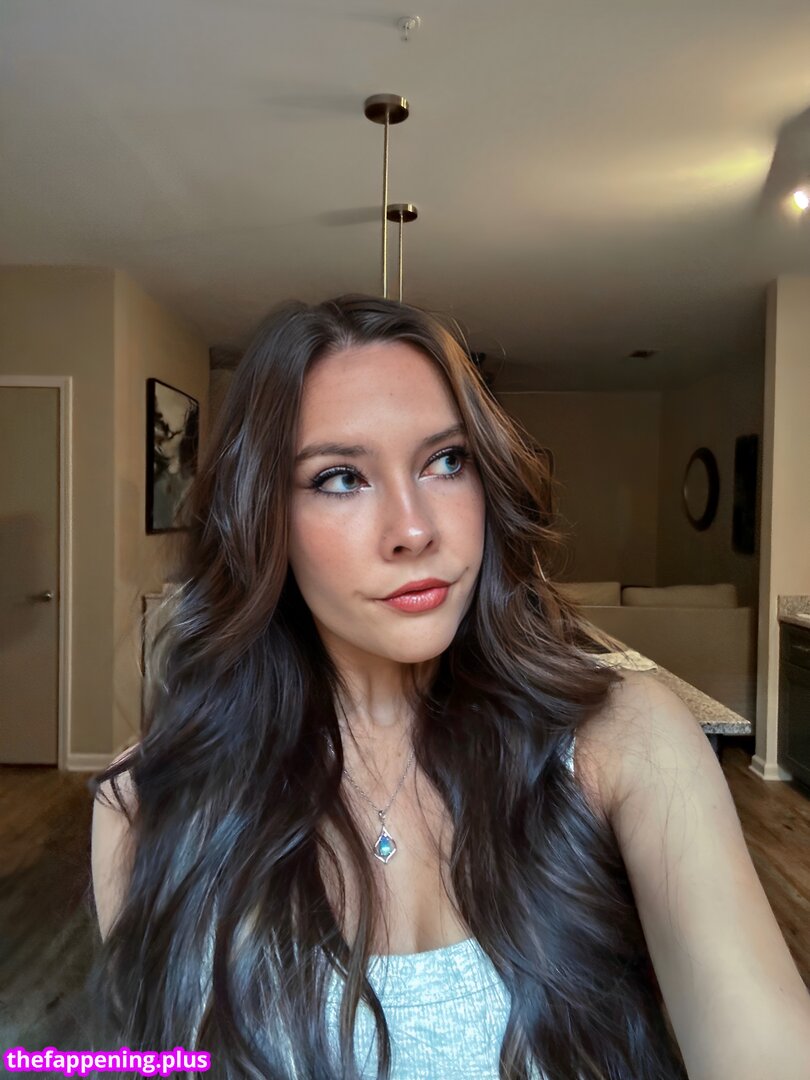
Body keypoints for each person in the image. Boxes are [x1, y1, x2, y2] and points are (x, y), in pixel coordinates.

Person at [90, 295, 810, 1080]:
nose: (414, 528)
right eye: (340, 477)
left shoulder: (626, 744)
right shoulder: (148, 800)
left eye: (445, 462)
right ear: (263, 517)